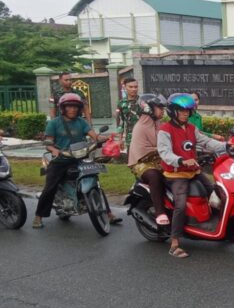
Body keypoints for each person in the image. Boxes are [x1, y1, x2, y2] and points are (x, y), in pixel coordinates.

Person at [157, 93, 226, 258]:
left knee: (216, 191)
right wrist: (181, 160)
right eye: (181, 110)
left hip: (193, 171)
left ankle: (219, 227)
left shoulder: (190, 128)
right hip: (175, 174)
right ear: (173, 111)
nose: (185, 113)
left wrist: (228, 146)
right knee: (180, 205)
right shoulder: (164, 130)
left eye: (188, 110)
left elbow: (206, 141)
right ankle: (174, 243)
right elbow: (164, 152)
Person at [32, 93, 112, 228]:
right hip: (61, 160)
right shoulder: (54, 123)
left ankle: (108, 214)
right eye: (69, 106)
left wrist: (101, 139)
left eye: (75, 106)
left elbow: (94, 136)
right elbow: (49, 143)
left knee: (96, 183)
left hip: (80, 158)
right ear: (63, 108)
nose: (73, 109)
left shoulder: (82, 122)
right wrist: (54, 150)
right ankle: (38, 216)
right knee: (50, 187)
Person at [128, 93, 169, 227]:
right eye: (159, 108)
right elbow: (143, 150)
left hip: (158, 161)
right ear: (149, 108)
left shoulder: (158, 124)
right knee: (154, 176)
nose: (162, 111)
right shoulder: (141, 126)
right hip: (142, 163)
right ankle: (160, 212)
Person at [115, 77, 142, 152]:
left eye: (135, 87)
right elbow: (120, 122)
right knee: (131, 161)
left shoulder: (143, 102)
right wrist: (120, 139)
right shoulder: (121, 103)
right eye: (130, 87)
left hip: (144, 136)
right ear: (125, 87)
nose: (134, 89)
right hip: (130, 137)